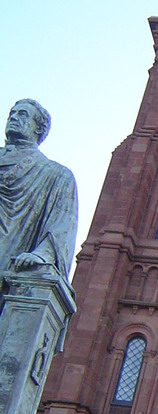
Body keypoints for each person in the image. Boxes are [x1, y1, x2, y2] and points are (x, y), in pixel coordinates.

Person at [0, 99, 78, 282]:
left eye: (22, 114)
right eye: (12, 113)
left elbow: (61, 225)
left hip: (9, 245)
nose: (13, 117)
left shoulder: (56, 174)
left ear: (39, 128)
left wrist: (43, 255)